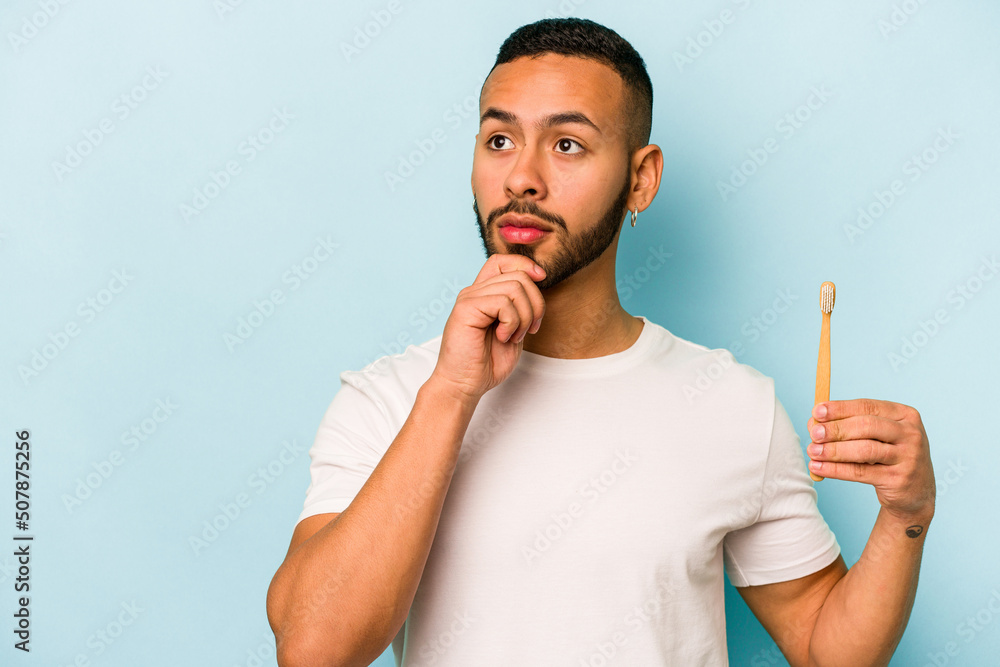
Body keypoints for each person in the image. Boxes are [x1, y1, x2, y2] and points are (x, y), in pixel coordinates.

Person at [266, 18, 935, 667]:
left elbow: (827, 647)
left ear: (640, 179)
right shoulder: (386, 398)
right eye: (499, 140)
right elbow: (314, 650)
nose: (522, 178)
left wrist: (907, 515)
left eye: (567, 145)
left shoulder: (733, 403)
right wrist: (451, 391)